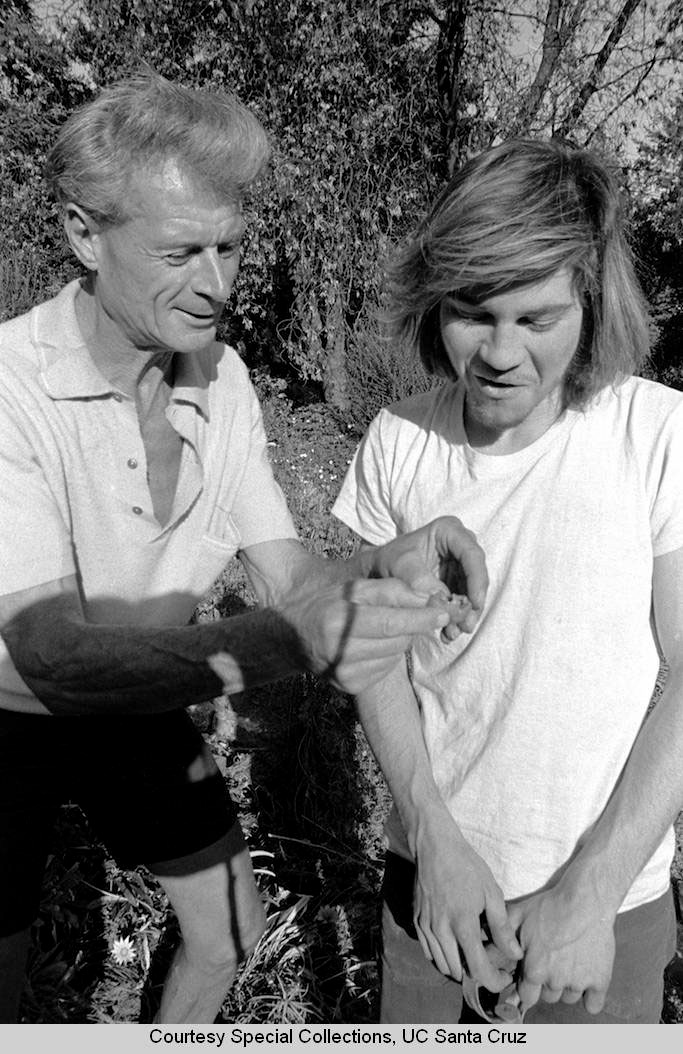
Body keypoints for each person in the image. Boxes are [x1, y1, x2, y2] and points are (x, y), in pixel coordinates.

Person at [0, 72, 487, 1024]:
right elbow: (48, 654)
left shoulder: (221, 379)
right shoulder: (10, 388)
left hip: (141, 694)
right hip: (8, 711)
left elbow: (288, 570)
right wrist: (296, 643)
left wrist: (388, 562)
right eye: (181, 252)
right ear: (80, 235)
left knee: (228, 930)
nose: (217, 284)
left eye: (229, 246)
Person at [333, 137, 682, 1025]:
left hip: (604, 910)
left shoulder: (654, 436)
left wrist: (590, 892)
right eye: (471, 311)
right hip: (438, 898)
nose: (497, 352)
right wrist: (436, 847)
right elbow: (370, 662)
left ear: (590, 305)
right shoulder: (398, 441)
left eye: (536, 319)